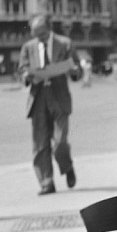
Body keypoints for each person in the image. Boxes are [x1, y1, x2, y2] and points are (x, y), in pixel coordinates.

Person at [18, 13, 81, 195]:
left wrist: (74, 70)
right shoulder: (27, 47)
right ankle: (47, 182)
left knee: (60, 142)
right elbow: (22, 70)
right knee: (40, 144)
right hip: (38, 98)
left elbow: (76, 70)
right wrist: (26, 75)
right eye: (36, 35)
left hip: (59, 97)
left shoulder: (65, 43)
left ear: (49, 29)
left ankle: (67, 166)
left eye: (43, 34)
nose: (40, 38)